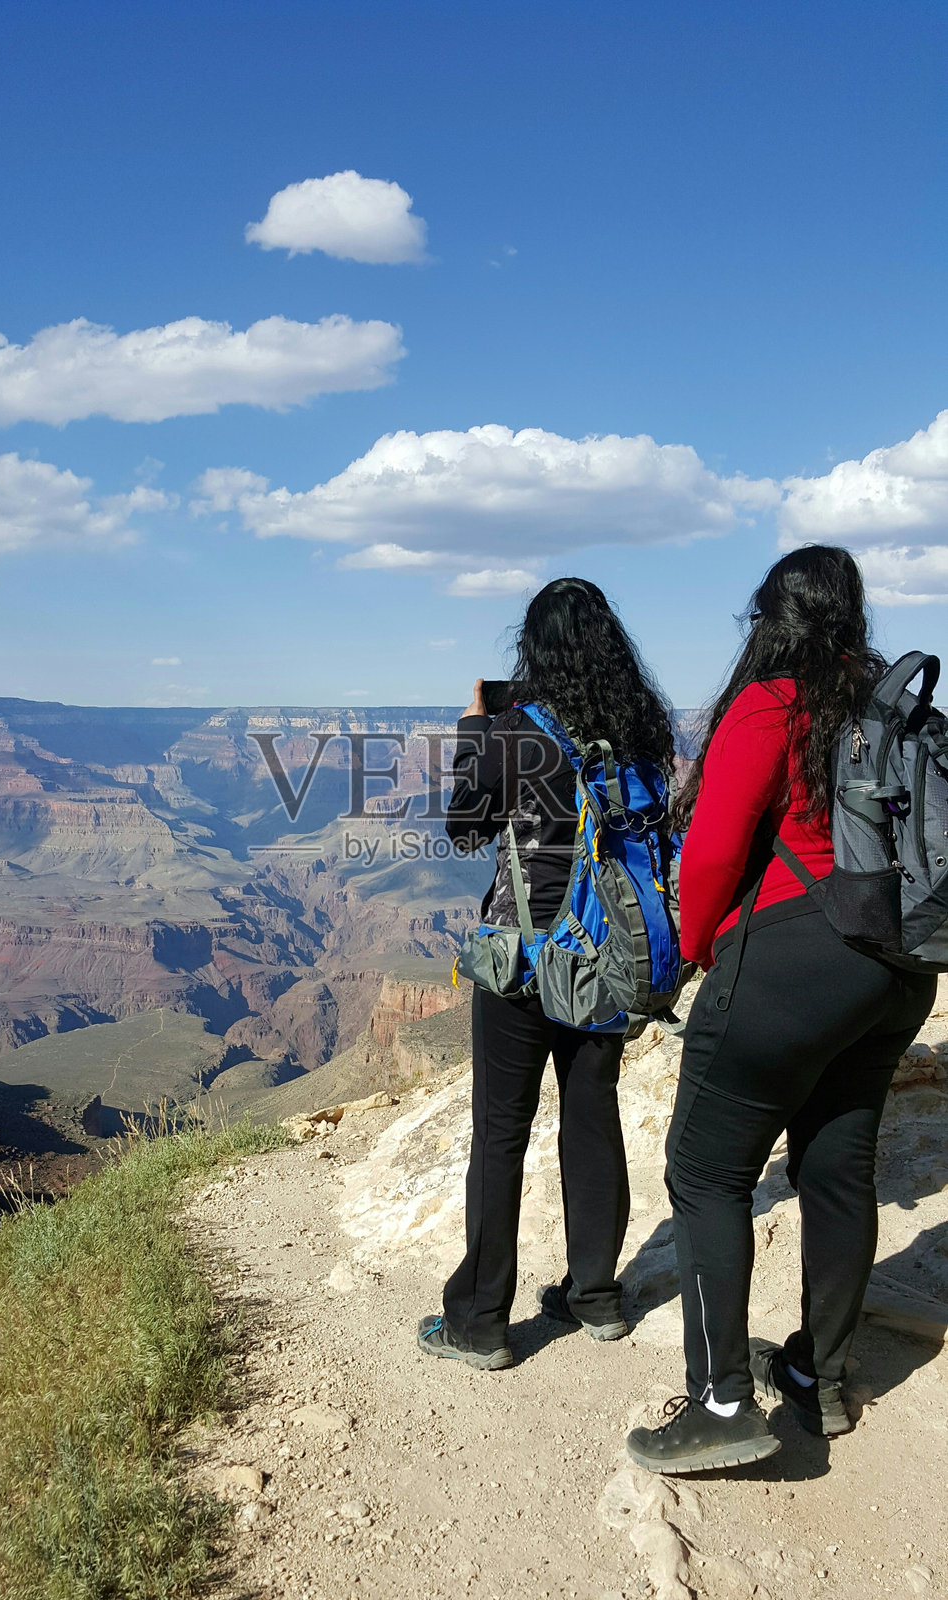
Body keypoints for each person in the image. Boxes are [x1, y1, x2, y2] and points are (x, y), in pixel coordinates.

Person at [626, 545, 938, 1474]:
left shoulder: (773, 703)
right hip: (896, 964)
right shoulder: (886, 702)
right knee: (838, 1170)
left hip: (795, 957)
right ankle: (818, 1377)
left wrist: (696, 948)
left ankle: (720, 1403)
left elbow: (714, 849)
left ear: (770, 617)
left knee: (703, 1171)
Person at [417, 577, 676, 1370]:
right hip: (605, 957)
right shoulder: (639, 732)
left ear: (532, 651)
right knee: (591, 1118)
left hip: (521, 964)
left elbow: (465, 828)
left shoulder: (516, 732)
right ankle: (595, 1297)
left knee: (500, 1132)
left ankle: (479, 1323)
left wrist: (473, 728)